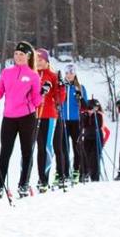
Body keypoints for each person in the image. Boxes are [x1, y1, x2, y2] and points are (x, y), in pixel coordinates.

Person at [0, 41, 43, 200]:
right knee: (5, 152)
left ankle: (23, 184)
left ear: (28, 56)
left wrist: (42, 92)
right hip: (9, 118)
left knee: (26, 152)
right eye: (16, 54)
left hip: (27, 118)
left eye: (22, 54)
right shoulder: (6, 72)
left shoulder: (33, 75)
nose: (18, 57)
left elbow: (37, 101)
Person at [35, 48, 67, 192]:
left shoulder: (52, 76)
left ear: (47, 61)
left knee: (47, 147)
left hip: (49, 115)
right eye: (36, 60)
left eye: (41, 60)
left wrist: (60, 86)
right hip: (35, 115)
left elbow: (60, 98)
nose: (38, 63)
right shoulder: (33, 75)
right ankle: (41, 177)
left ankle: (44, 179)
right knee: (39, 147)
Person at [60, 63, 89, 183]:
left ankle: (77, 170)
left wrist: (80, 99)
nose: (69, 75)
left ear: (75, 74)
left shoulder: (80, 88)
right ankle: (65, 172)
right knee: (63, 148)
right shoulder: (62, 87)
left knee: (77, 147)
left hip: (76, 121)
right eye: (67, 73)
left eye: (71, 73)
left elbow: (86, 106)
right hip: (63, 121)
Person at [79, 99, 110, 182]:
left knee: (95, 157)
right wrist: (84, 117)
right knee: (85, 156)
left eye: (94, 108)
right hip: (87, 137)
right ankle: (84, 174)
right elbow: (83, 125)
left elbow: (99, 126)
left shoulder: (99, 115)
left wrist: (103, 142)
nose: (91, 110)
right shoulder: (86, 114)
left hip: (96, 137)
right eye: (89, 108)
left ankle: (95, 178)